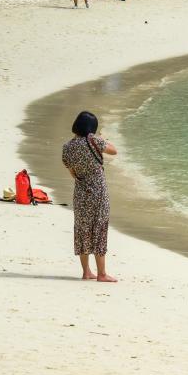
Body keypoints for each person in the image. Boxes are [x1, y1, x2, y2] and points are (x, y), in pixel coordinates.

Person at [62, 111, 118, 282]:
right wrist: (102, 138)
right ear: (91, 128)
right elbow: (114, 151)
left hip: (80, 192)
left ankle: (86, 272)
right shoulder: (94, 141)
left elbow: (72, 172)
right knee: (99, 228)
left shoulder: (67, 147)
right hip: (98, 192)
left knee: (82, 229)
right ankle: (101, 274)